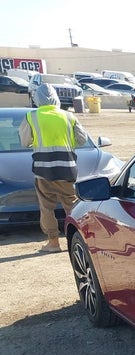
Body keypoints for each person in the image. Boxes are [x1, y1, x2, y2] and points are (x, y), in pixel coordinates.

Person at [18, 83, 88, 253]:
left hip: (43, 170)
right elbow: (82, 139)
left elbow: (24, 141)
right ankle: (78, 241)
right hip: (67, 169)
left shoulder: (32, 116)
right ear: (56, 98)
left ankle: (53, 243)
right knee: (71, 206)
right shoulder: (69, 116)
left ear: (37, 99)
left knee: (47, 207)